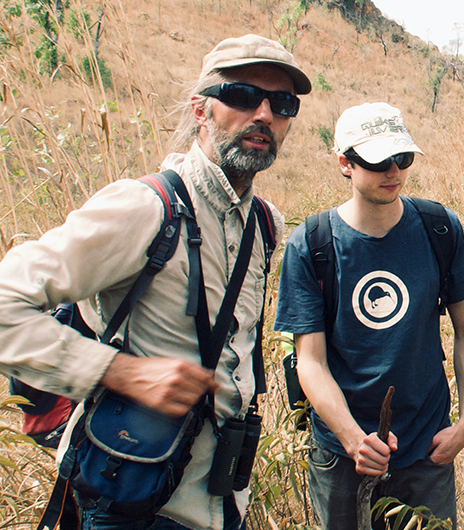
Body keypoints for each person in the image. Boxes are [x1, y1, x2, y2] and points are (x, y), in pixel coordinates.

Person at [0, 33, 311, 530]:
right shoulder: (146, 208)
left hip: (221, 502)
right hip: (128, 501)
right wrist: (116, 372)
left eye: (282, 103)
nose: (264, 114)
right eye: (240, 95)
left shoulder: (264, 224)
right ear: (199, 109)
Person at [273, 102, 464, 529]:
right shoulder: (312, 245)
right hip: (342, 451)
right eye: (377, 161)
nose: (393, 171)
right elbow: (310, 361)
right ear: (344, 163)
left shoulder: (440, 228)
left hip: (426, 447)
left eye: (402, 158)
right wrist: (353, 440)